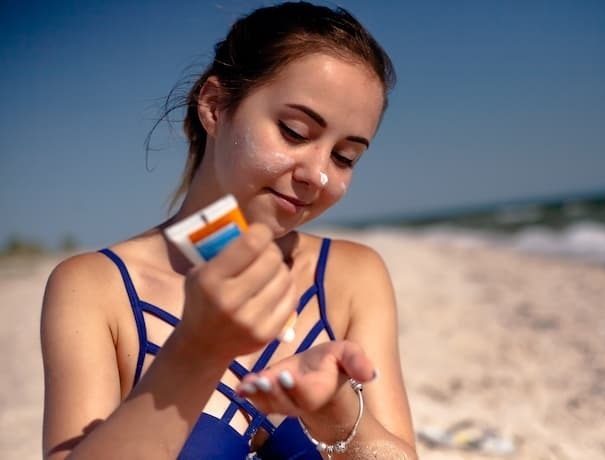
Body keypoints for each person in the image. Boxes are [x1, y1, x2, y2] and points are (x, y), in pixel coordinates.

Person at [40, 2, 417, 459]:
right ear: (215, 106)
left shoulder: (351, 276)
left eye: (345, 157)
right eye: (295, 132)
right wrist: (196, 350)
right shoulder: (96, 289)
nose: (317, 175)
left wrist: (336, 408)